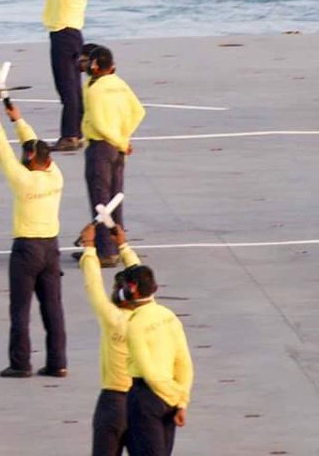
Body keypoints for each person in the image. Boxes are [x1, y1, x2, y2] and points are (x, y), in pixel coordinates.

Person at [0, 100, 66, 379]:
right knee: (53, 308)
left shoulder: (23, 181)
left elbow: (3, 153)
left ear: (32, 158)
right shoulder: (56, 176)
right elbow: (33, 146)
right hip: (51, 247)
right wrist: (18, 120)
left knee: (20, 309)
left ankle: (21, 363)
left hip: (27, 249)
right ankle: (58, 362)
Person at [79, 220, 142, 456]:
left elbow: (93, 283)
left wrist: (88, 246)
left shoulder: (112, 318)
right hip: (141, 401)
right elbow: (141, 278)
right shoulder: (147, 315)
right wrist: (124, 247)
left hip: (114, 400)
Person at [82, 46, 146, 266]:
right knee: (115, 198)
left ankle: (105, 250)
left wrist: (118, 140)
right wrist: (124, 137)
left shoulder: (94, 89)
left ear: (95, 65)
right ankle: (118, 245)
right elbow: (139, 111)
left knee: (100, 199)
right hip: (119, 148)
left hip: (101, 146)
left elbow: (98, 124)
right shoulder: (120, 84)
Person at [123, 264, 193, 455]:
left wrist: (170, 394)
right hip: (170, 401)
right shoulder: (169, 316)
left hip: (146, 398)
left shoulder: (135, 324)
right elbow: (184, 364)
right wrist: (180, 400)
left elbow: (149, 373)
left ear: (133, 288)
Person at [43, 0, 92, 151]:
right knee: (74, 86)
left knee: (67, 88)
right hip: (75, 34)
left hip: (62, 35)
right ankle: (79, 131)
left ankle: (70, 135)